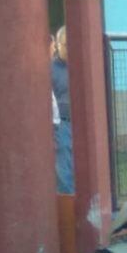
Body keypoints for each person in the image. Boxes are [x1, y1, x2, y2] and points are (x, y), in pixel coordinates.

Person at [51, 27, 74, 194]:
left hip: (81, 123)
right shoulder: (49, 68)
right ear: (58, 45)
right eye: (66, 44)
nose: (70, 49)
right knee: (64, 167)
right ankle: (68, 204)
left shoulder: (81, 66)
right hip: (62, 124)